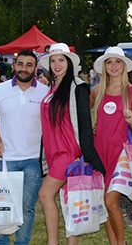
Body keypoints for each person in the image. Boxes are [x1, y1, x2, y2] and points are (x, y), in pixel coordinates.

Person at [37, 43, 105, 245]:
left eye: (61, 60)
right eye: (53, 60)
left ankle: (52, 242)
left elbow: (84, 122)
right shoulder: (51, 88)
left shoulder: (78, 87)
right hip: (53, 151)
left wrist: (85, 154)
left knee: (45, 194)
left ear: (69, 63)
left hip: (69, 153)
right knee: (69, 199)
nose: (57, 64)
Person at [0, 49, 47, 245]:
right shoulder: (0, 90)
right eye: (20, 64)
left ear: (35, 68)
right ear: (13, 65)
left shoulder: (45, 93)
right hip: (6, 159)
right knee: (2, 206)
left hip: (33, 160)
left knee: (27, 208)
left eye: (29, 65)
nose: (24, 68)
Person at [91, 47, 132, 245]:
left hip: (122, 155)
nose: (113, 66)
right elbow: (81, 115)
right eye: (109, 62)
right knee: (104, 203)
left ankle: (121, 242)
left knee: (110, 201)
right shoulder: (96, 91)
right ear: (104, 66)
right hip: (100, 152)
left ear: (124, 66)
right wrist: (92, 124)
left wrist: (131, 121)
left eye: (118, 62)